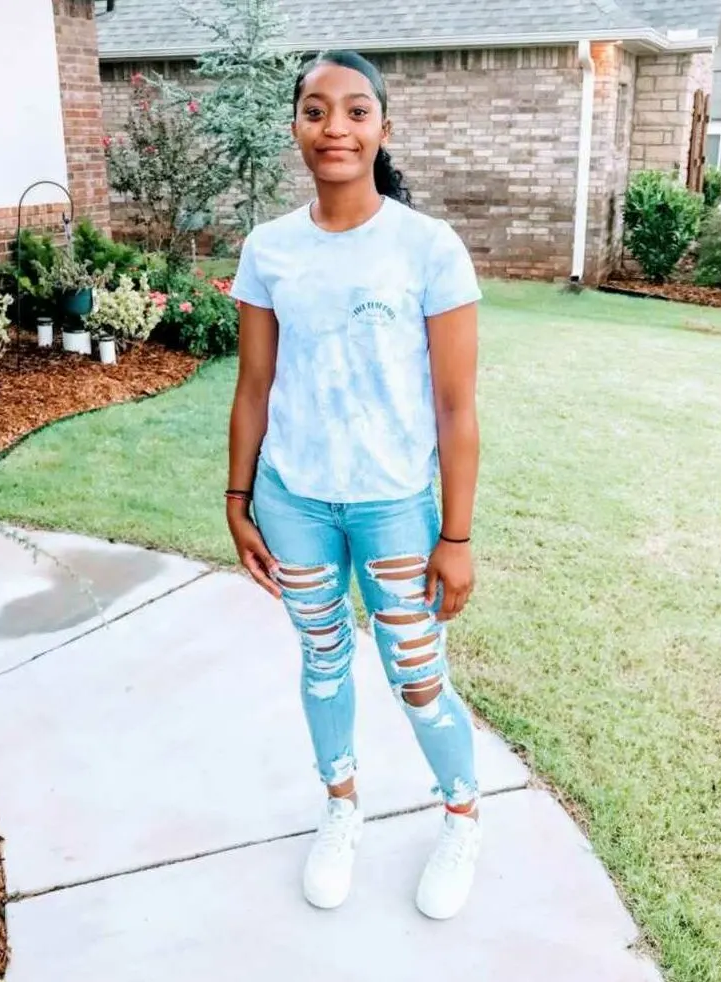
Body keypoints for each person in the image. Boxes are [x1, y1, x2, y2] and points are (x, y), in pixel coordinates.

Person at [227, 49, 482, 920]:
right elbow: (254, 386)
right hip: (293, 499)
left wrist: (455, 537)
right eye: (315, 110)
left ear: (382, 126)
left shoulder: (428, 248)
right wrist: (237, 499)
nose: (334, 126)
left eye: (355, 110)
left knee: (417, 673)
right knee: (323, 658)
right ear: (297, 126)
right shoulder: (269, 248)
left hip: (394, 505)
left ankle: (462, 816)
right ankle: (340, 808)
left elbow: (455, 407)